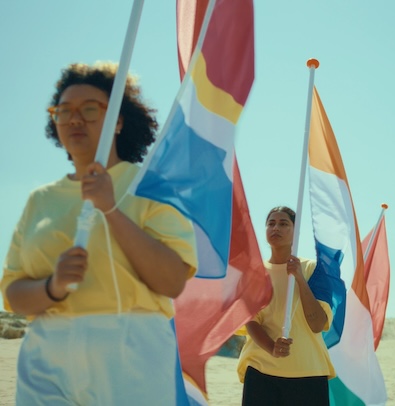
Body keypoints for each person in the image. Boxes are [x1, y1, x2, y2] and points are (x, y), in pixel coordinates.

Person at [0, 62, 197, 405]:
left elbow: (171, 282)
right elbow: (13, 293)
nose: (75, 119)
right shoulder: (40, 200)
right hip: (45, 356)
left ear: (118, 121)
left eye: (89, 109)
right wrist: (53, 286)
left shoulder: (150, 187)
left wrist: (110, 209)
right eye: (64, 111)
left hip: (131, 352)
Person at [237, 206, 335, 406]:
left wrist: (299, 278)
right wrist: (272, 348)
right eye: (271, 223)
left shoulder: (314, 269)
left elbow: (317, 324)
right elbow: (251, 321)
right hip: (261, 371)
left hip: (308, 372)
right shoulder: (253, 273)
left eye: (283, 224)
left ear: (295, 232)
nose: (276, 228)